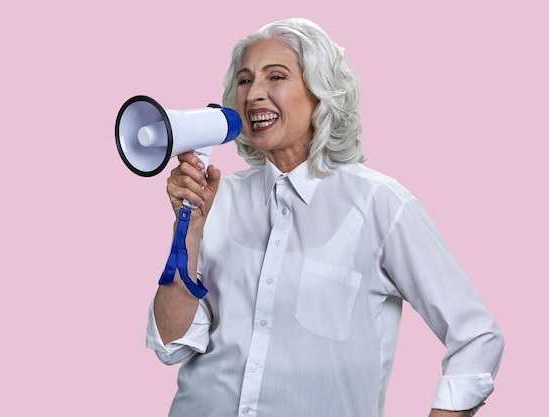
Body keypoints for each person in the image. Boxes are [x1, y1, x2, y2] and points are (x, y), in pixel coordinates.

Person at [145, 17, 504, 417]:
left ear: (321, 93)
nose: (253, 95)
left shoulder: (379, 204)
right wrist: (190, 232)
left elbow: (477, 336)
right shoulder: (216, 197)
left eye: (275, 77)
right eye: (245, 81)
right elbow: (172, 345)